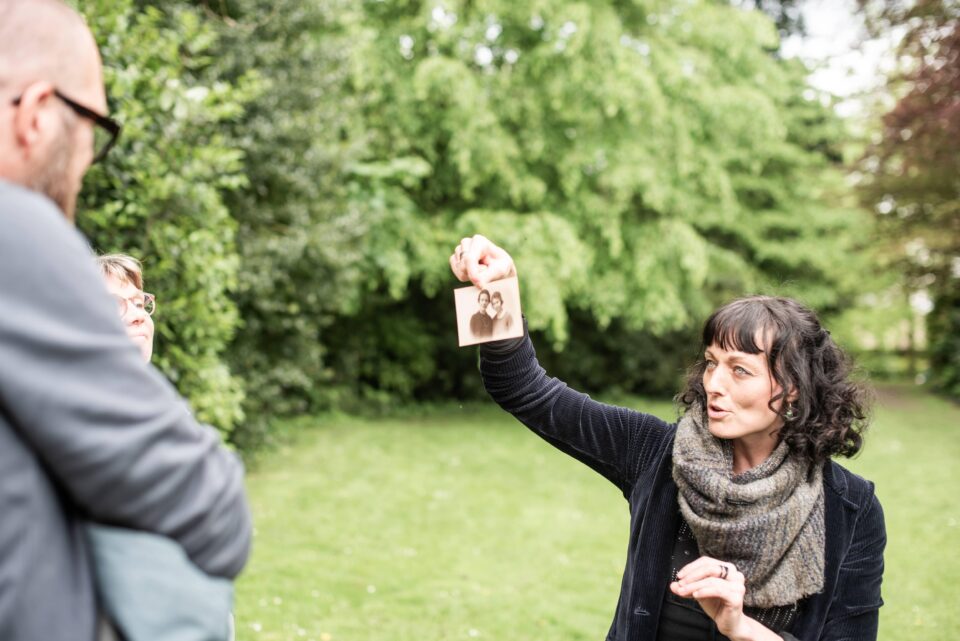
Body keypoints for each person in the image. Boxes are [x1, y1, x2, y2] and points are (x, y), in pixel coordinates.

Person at [449, 235, 885, 641]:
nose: (714, 383)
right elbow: (524, 389)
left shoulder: (851, 508)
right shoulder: (657, 453)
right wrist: (500, 287)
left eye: (740, 370)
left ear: (792, 388)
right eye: (712, 362)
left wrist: (739, 627)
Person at [0, 2, 251, 641]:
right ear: (34, 114)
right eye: (92, 130)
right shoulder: (18, 229)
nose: (85, 165)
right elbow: (217, 515)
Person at [88, 254, 235, 641]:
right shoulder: (82, 421)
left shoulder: (161, 410)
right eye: (116, 304)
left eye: (139, 302)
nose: (138, 315)